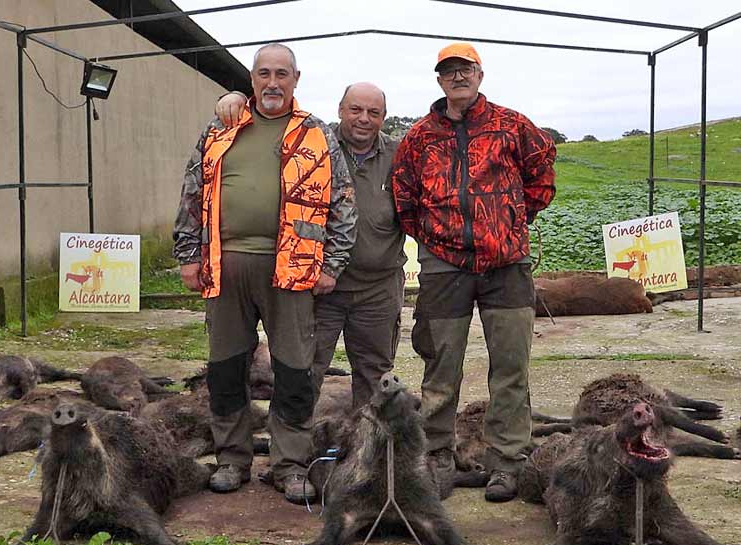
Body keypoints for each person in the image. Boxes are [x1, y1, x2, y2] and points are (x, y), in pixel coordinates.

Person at [172, 43, 357, 504]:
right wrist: (188, 254)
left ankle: (289, 465)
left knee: (294, 371)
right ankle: (231, 460)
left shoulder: (316, 134)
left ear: (296, 79)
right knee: (226, 368)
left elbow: (343, 202)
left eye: (282, 74)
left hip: (292, 270)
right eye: (263, 74)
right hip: (224, 266)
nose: (272, 82)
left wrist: (331, 265)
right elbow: (192, 192)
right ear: (251, 79)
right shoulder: (222, 128)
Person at [391, 43, 556, 502]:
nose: (457, 77)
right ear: (439, 80)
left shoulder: (512, 124)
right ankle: (438, 455)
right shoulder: (419, 136)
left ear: (480, 74)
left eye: (465, 69)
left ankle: (506, 461)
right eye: (448, 71)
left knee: (510, 365)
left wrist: (512, 219)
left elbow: (543, 172)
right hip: (445, 267)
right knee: (440, 367)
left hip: (507, 265)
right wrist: (432, 236)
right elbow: (403, 196)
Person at [216, 82, 405, 408]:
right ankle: (294, 451)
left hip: (379, 289)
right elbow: (267, 124)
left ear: (384, 117)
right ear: (340, 110)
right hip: (319, 286)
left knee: (375, 375)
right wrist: (233, 98)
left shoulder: (401, 156)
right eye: (355, 110)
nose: (364, 119)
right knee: (303, 370)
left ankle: (367, 448)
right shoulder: (314, 145)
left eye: (373, 112)